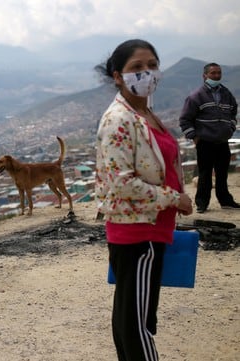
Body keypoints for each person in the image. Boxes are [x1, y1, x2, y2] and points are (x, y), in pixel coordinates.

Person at [94, 39, 193, 361]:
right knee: (137, 323)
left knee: (133, 314)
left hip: (151, 227)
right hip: (138, 231)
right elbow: (121, 183)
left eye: (152, 65)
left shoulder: (143, 111)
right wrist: (174, 198)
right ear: (118, 76)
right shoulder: (119, 118)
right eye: (137, 67)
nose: (146, 72)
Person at [179, 62, 239, 213]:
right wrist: (194, 137)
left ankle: (225, 200)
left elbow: (233, 112)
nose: (216, 76)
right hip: (205, 142)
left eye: (219, 73)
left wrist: (231, 128)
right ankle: (202, 203)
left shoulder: (226, 94)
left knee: (222, 173)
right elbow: (185, 119)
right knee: (205, 174)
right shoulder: (196, 96)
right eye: (213, 73)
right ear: (204, 75)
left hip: (222, 141)